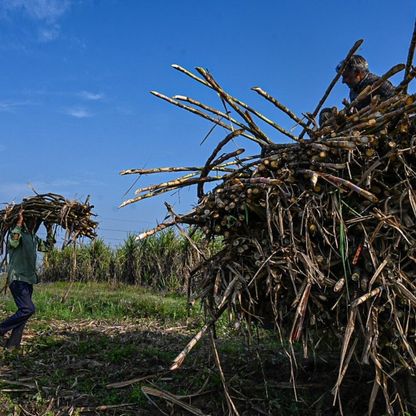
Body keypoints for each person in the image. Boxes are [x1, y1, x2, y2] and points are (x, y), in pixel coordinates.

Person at [0, 209, 55, 349]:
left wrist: (49, 230)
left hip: (28, 280)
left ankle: (12, 345)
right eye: (31, 221)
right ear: (25, 221)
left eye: (36, 222)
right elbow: (12, 243)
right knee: (28, 309)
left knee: (23, 314)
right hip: (17, 279)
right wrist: (18, 222)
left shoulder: (33, 237)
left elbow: (47, 247)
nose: (33, 224)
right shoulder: (17, 233)